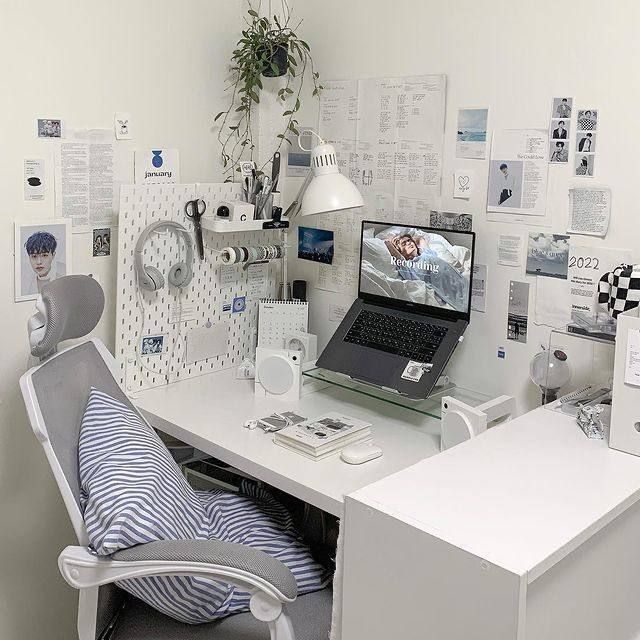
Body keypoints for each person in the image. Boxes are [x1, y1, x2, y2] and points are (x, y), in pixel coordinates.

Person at [384, 232, 469, 311]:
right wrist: (394, 241)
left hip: (460, 280)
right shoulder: (407, 266)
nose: (409, 243)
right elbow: (388, 244)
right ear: (399, 251)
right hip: (452, 291)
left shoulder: (426, 253)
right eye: (404, 244)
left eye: (409, 241)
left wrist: (406, 238)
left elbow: (420, 238)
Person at [23, 230, 64, 295]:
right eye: (34, 256)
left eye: (44, 255)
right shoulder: (25, 285)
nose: (39, 262)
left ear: (53, 255)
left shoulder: (62, 281)